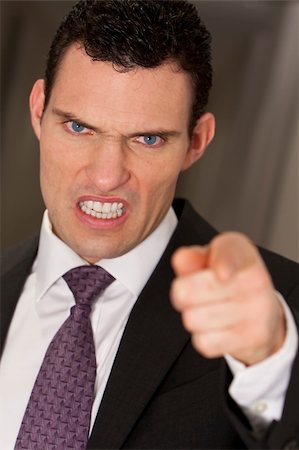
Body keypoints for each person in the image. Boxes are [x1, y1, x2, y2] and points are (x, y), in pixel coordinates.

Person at [0, 1, 298, 449]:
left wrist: (268, 366)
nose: (105, 176)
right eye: (79, 127)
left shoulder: (279, 313)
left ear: (196, 142)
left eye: (148, 139)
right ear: (40, 109)